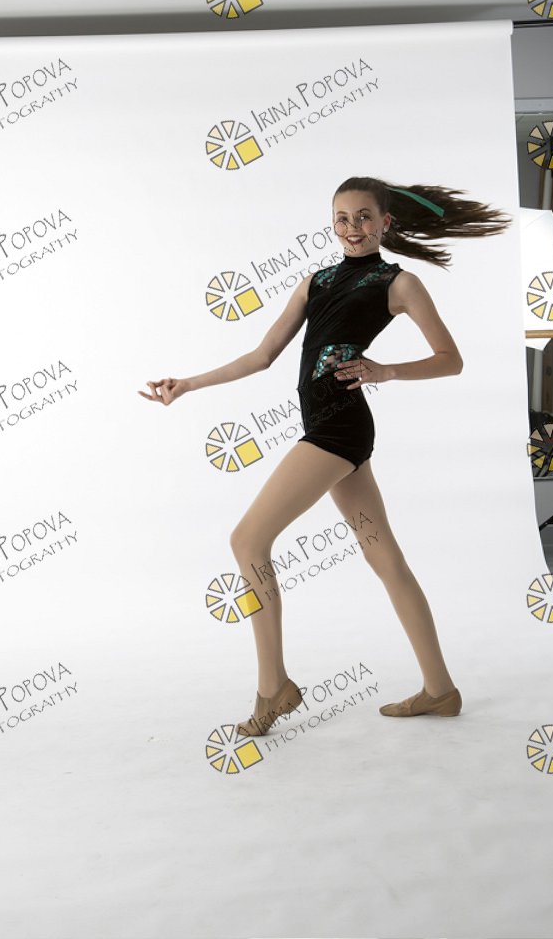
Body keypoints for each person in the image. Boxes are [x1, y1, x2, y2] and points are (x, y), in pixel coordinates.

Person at [139, 176, 510, 737]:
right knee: (385, 558)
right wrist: (187, 384)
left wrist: (386, 371)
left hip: (339, 428)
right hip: (326, 427)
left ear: (385, 222)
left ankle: (273, 688)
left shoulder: (399, 283)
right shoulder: (316, 281)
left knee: (247, 541)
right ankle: (441, 690)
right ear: (331, 223)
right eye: (341, 218)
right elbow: (262, 355)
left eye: (363, 217)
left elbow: (450, 359)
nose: (352, 228)